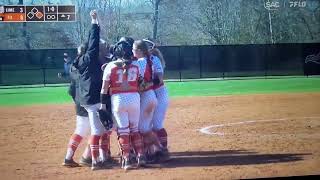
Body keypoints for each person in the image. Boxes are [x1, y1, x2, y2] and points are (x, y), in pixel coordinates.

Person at [100, 41, 147, 170]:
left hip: (118, 99)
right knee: (135, 129)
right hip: (134, 97)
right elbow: (141, 83)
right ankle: (141, 155)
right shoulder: (137, 64)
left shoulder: (110, 66)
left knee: (123, 131)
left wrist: (103, 106)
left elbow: (104, 89)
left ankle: (127, 159)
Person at [73, 10, 110, 170]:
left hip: (84, 101)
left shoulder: (76, 64)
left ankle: (97, 157)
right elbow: (93, 42)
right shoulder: (89, 59)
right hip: (94, 99)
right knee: (98, 130)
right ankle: (94, 161)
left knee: (100, 129)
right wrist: (94, 21)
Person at [133, 40, 163, 162]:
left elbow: (142, 83)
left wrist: (145, 85)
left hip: (146, 96)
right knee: (143, 127)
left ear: (139, 51)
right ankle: (149, 150)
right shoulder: (147, 60)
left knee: (143, 128)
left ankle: (160, 149)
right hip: (149, 96)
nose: (132, 52)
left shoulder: (140, 62)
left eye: (134, 50)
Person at [143, 39, 170, 162]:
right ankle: (152, 150)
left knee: (157, 124)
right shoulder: (143, 61)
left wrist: (145, 85)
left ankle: (163, 150)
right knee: (147, 125)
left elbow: (159, 79)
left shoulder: (154, 59)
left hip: (159, 93)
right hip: (151, 94)